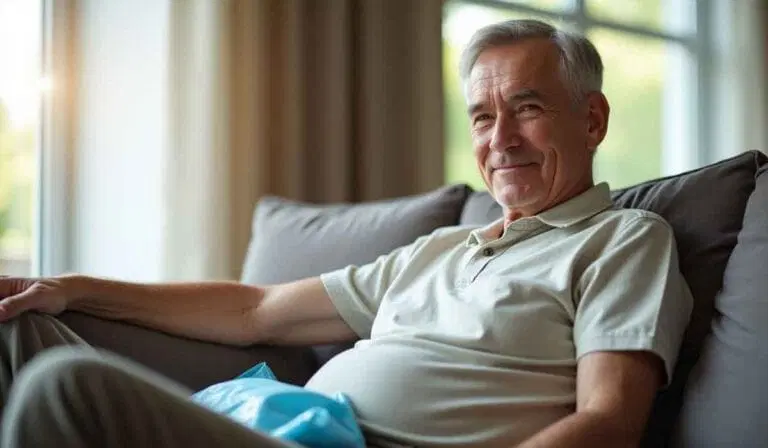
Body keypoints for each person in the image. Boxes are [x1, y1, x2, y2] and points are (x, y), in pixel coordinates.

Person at [0, 19, 692, 448]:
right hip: (274, 426)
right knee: (20, 333)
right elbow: (255, 311)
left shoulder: (623, 240)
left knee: (64, 388)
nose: (501, 139)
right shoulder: (442, 249)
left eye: (528, 108)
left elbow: (609, 421)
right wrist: (67, 289)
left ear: (593, 120)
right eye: (482, 117)